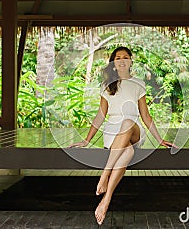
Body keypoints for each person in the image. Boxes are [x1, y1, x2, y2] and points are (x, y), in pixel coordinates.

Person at [68, 46, 176, 225]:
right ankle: (106, 199)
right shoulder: (106, 86)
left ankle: (105, 174)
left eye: (126, 57)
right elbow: (100, 115)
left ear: (131, 61)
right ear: (113, 63)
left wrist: (159, 139)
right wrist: (86, 139)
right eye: (118, 57)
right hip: (113, 133)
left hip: (133, 130)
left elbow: (145, 115)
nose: (122, 60)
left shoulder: (138, 83)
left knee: (127, 122)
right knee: (127, 153)